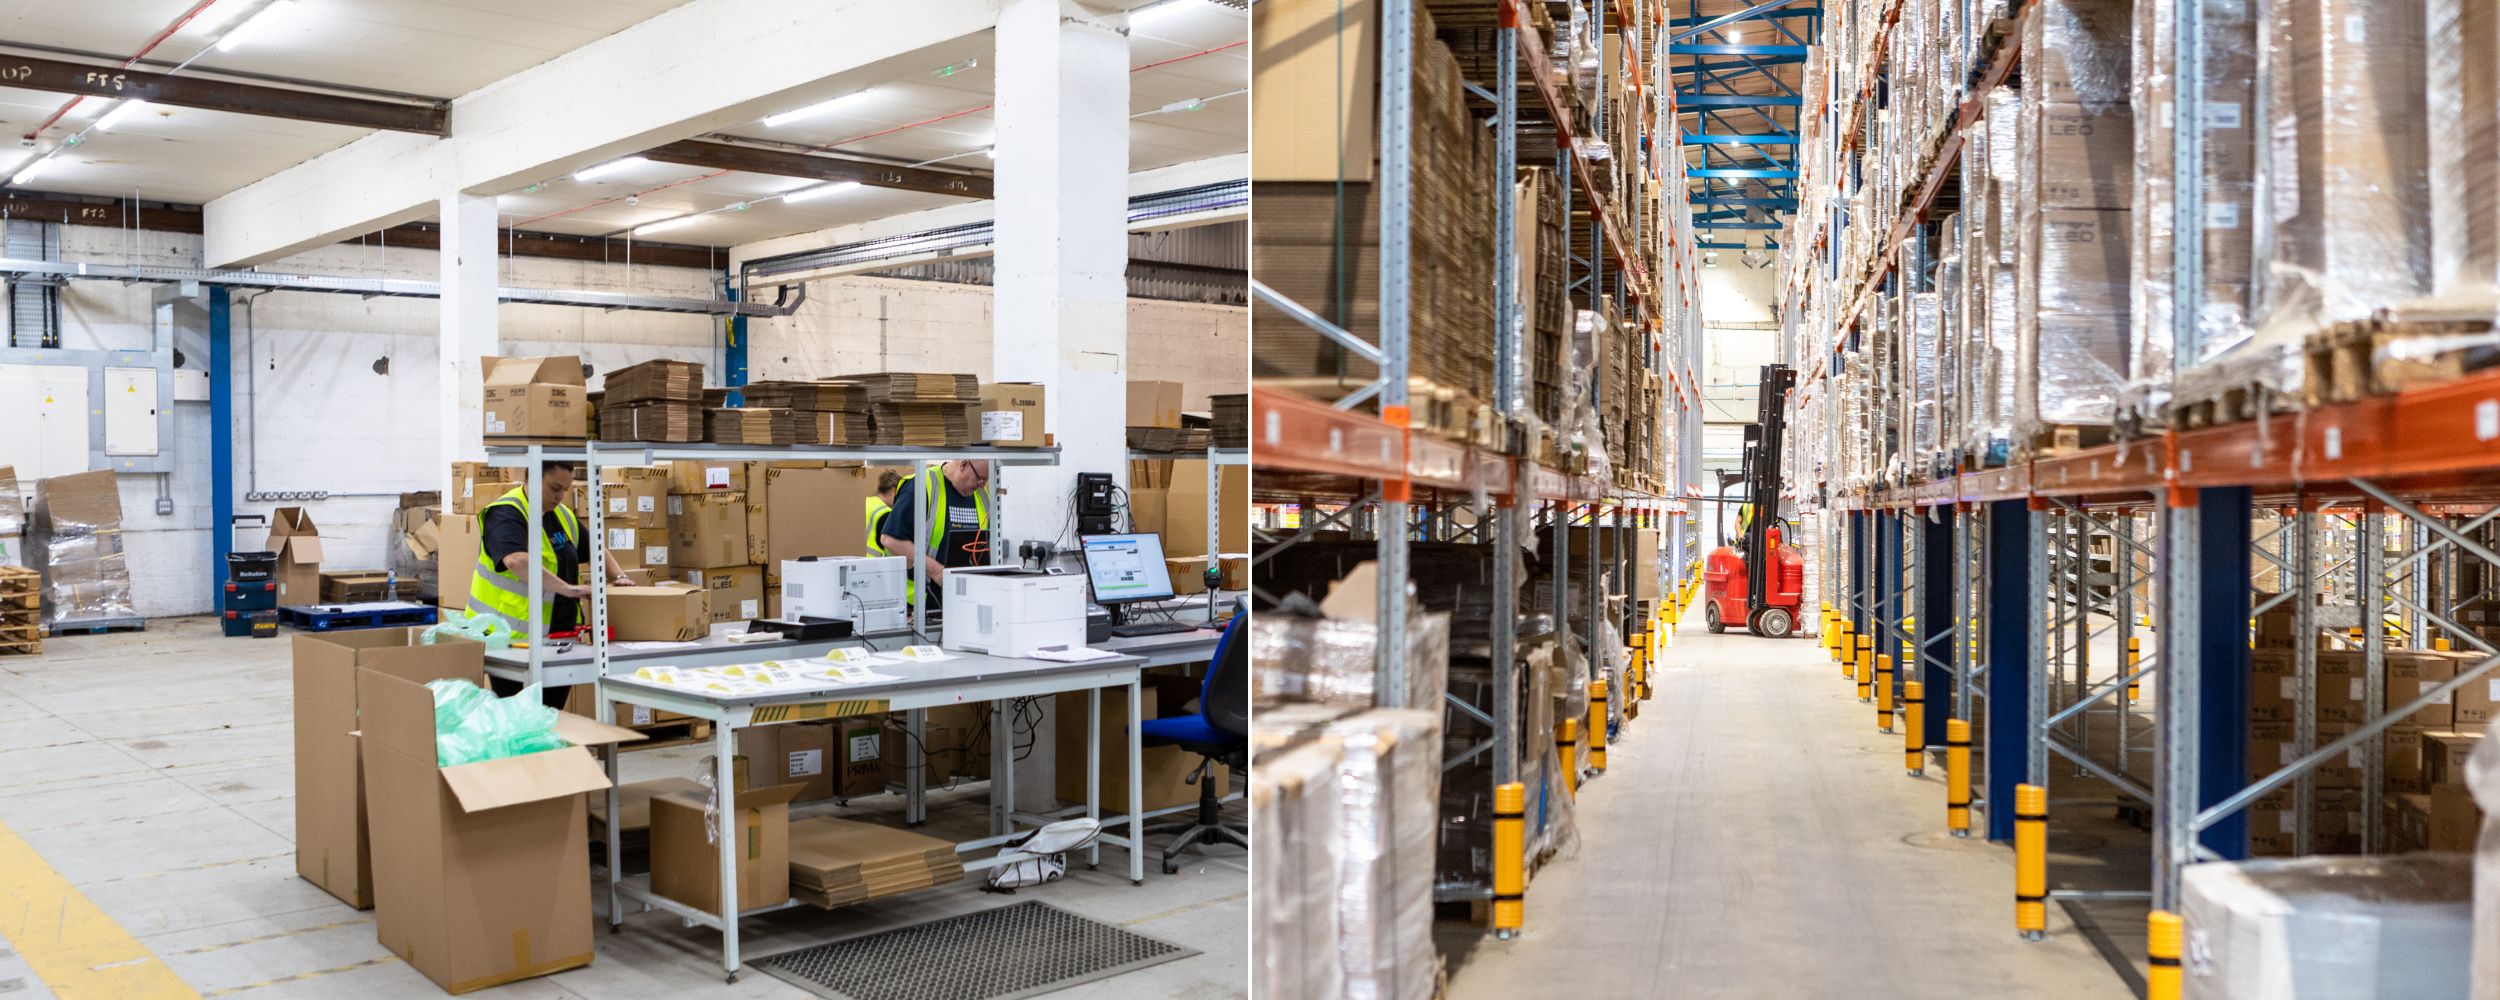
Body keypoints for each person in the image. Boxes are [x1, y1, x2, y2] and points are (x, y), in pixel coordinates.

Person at [470, 461, 632, 707]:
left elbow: (596, 548)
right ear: (532, 478)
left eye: (565, 489)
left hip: (559, 641)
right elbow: (516, 560)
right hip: (511, 643)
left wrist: (619, 577)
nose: (560, 496)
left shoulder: (562, 516)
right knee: (518, 722)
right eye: (554, 488)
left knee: (552, 719)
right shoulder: (505, 513)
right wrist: (567, 589)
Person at [878, 459, 991, 608]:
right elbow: (890, 539)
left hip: (961, 601)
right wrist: (937, 572)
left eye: (986, 479)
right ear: (964, 465)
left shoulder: (981, 495)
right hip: (917, 603)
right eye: (980, 478)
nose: (983, 484)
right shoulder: (922, 486)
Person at [865, 469, 904, 557]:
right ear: (892, 492)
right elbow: (896, 549)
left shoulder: (866, 502)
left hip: (853, 563)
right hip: (872, 567)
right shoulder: (885, 513)